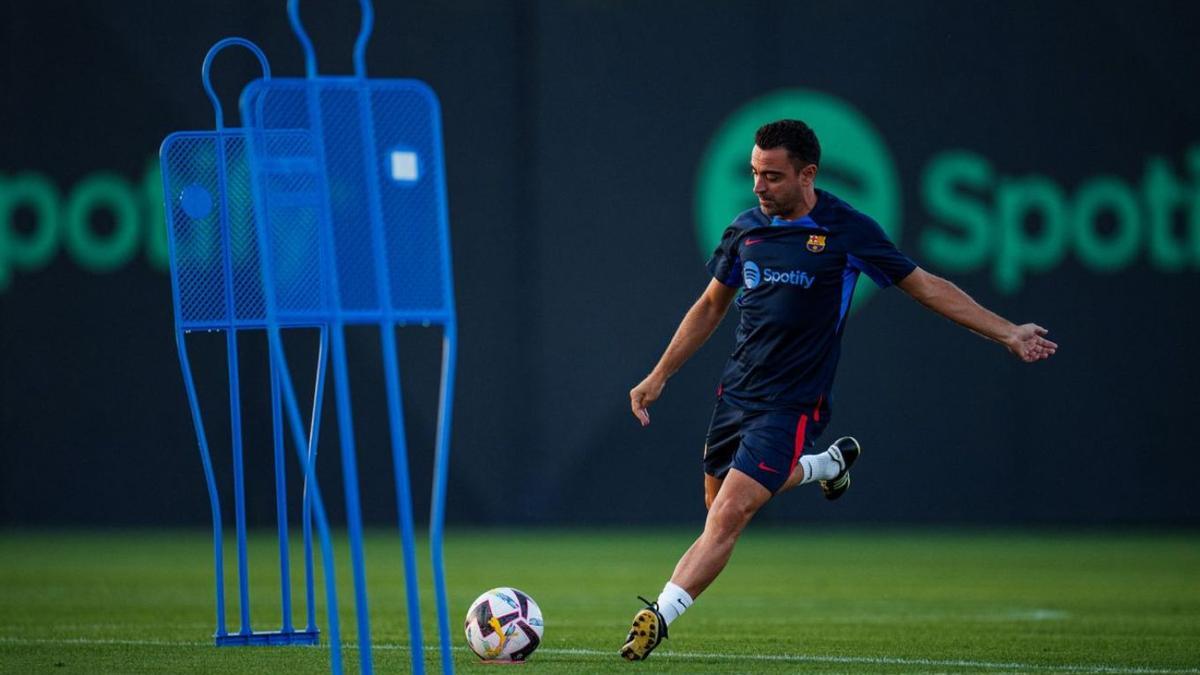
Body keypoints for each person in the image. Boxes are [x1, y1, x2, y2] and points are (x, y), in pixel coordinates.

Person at [619, 119, 1057, 661]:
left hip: (792, 403)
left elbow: (927, 287)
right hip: (735, 395)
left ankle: (658, 616)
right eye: (754, 174)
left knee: (731, 512)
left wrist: (1007, 331)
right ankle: (825, 466)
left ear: (808, 175)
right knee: (716, 508)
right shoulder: (744, 231)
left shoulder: (847, 231)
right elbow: (711, 305)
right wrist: (659, 374)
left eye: (772, 177)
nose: (758, 187)